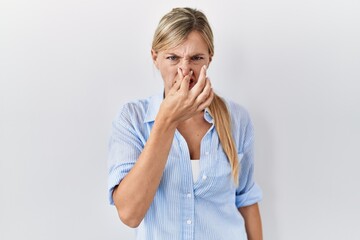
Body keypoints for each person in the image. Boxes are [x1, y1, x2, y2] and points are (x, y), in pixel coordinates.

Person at [108, 7, 263, 240]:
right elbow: (130, 214)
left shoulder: (237, 119)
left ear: (210, 57)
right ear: (155, 57)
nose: (185, 71)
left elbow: (247, 199)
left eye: (196, 58)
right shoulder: (133, 119)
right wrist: (167, 121)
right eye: (173, 58)